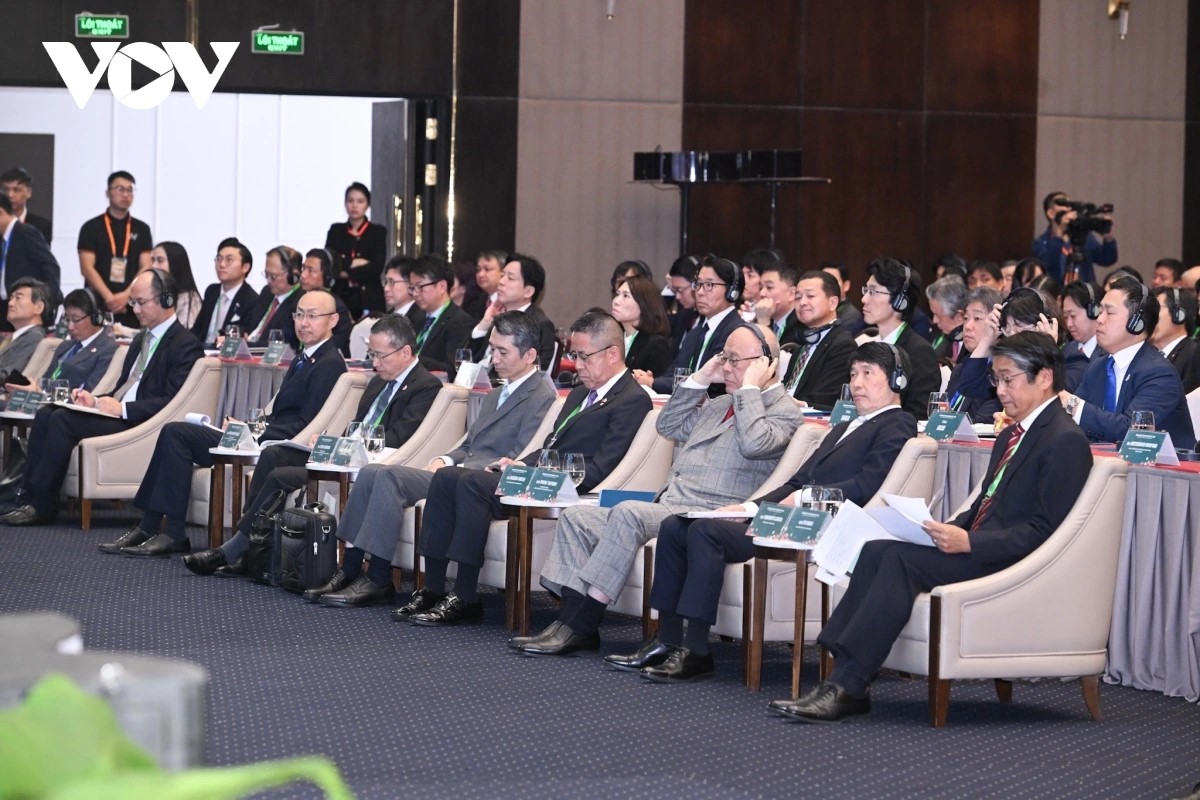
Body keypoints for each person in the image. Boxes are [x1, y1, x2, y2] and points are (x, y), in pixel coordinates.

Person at [772, 332, 1093, 723]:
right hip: (979, 544)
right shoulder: (1013, 434)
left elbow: (1043, 532)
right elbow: (985, 502)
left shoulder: (1064, 440)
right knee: (876, 548)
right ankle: (843, 673)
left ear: (1043, 377)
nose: (1000, 391)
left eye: (1008, 379)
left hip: (1008, 560)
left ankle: (848, 686)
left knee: (900, 561)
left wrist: (969, 542)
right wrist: (944, 529)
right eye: (996, 380)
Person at [608, 342, 917, 681]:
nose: (857, 383)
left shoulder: (897, 423)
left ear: (897, 381)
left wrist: (803, 499)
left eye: (868, 374)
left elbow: (867, 484)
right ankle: (666, 640)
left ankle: (695, 650)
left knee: (705, 532)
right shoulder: (844, 427)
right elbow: (796, 480)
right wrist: (749, 507)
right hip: (792, 519)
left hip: (825, 524)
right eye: (854, 374)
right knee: (675, 525)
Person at [509, 324, 803, 656]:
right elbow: (668, 424)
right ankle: (570, 622)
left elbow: (754, 443)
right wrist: (700, 378)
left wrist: (749, 388)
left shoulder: (785, 412)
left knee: (629, 513)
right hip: (669, 503)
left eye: (735, 360)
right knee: (577, 517)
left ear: (767, 364)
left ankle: (582, 623)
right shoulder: (721, 404)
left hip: (706, 514)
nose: (727, 368)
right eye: (725, 358)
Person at [398, 311, 653, 625]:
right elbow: (549, 447)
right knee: (447, 476)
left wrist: (542, 474)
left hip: (565, 488)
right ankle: (433, 588)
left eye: (584, 356)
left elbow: (601, 468)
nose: (577, 365)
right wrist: (520, 464)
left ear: (612, 353)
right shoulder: (579, 394)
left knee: (472, 483)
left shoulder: (631, 399)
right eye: (574, 356)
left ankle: (465, 596)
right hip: (541, 478)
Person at [303, 312, 557, 607]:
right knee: (372, 471)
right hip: (455, 475)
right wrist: (445, 459)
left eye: (503, 351)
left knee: (388, 476)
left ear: (530, 355)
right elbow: (469, 444)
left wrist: (460, 467)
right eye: (492, 349)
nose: (494, 358)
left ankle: (378, 577)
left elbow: (520, 456)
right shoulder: (497, 393)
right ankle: (348, 569)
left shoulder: (540, 396)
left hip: (481, 482)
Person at [181, 313, 443, 575]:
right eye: (372, 354)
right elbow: (355, 427)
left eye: (381, 356)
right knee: (275, 458)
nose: (374, 364)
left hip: (372, 467)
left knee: (281, 476)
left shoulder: (425, 386)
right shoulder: (377, 384)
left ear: (405, 352)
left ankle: (234, 551)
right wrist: (330, 443)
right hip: (343, 459)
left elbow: (398, 437)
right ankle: (252, 549)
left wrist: (340, 445)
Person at [97, 289, 348, 557]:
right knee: (177, 433)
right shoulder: (303, 357)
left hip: (278, 445)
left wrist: (252, 430)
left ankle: (175, 535)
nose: (304, 323)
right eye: (299, 315)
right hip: (260, 435)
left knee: (180, 435)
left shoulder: (329, 363)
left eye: (312, 316)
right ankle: (156, 528)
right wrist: (246, 425)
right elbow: (278, 413)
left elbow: (304, 424)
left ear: (332, 320)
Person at [0, 270, 204, 526]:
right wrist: (95, 400)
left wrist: (122, 409)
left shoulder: (184, 343)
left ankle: (42, 505)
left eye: (141, 302)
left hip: (141, 423)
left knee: (62, 420)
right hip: (118, 413)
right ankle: (26, 497)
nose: (135, 310)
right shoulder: (141, 339)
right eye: (133, 302)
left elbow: (172, 401)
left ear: (166, 300)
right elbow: (123, 387)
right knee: (46, 413)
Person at [1061, 276, 1194, 448]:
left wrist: (1072, 404)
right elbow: (1073, 423)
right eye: (1100, 311)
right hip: (1107, 462)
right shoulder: (1097, 367)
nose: (1099, 319)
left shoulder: (1159, 373)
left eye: (1109, 313)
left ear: (1136, 323)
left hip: (1159, 465)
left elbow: (1131, 432)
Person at [860, 258, 940, 420]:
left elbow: (919, 413)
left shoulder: (919, 352)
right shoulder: (867, 347)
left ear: (900, 301)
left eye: (873, 292)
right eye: (866, 290)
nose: (864, 299)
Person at [652, 255, 743, 395]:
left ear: (732, 292)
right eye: (698, 284)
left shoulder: (737, 333)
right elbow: (674, 374)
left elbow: (713, 385)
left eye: (709, 285)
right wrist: (651, 380)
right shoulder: (695, 333)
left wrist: (652, 383)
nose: (699, 292)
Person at [77, 171, 153, 328]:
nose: (125, 194)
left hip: (131, 305)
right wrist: (109, 298)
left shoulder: (142, 229)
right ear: (108, 192)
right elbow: (87, 268)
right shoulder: (91, 227)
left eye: (130, 190)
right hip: (97, 302)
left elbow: (146, 266)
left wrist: (126, 296)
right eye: (120, 189)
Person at [3, 288, 116, 393]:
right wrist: (34, 386)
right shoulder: (64, 346)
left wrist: (41, 392)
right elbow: (47, 380)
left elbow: (88, 394)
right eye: (67, 319)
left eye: (76, 320)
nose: (70, 327)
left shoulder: (108, 350)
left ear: (96, 318)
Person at [467, 253, 558, 370]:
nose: (501, 282)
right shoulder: (496, 318)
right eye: (502, 276)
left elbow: (535, 371)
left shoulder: (541, 325)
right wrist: (484, 325)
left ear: (528, 291)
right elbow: (468, 362)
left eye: (510, 278)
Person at [781, 270, 856, 410]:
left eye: (810, 296)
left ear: (833, 302)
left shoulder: (843, 345)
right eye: (798, 297)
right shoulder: (802, 347)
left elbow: (826, 400)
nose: (802, 302)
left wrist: (797, 404)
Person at [403, 253, 475, 375]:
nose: (415, 293)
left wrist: (411, 359)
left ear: (442, 286)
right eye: (412, 288)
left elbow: (452, 369)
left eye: (420, 287)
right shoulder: (415, 318)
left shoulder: (460, 322)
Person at [325, 182, 387, 317]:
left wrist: (345, 270)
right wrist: (356, 262)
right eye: (350, 201)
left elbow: (376, 267)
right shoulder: (336, 231)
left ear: (367, 204)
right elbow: (331, 263)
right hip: (340, 296)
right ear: (345, 203)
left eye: (360, 201)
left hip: (369, 298)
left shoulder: (377, 232)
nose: (354, 205)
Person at [0, 191, 60, 331]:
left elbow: (51, 267)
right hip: (7, 308)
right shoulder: (4, 238)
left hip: (26, 310)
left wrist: (46, 303)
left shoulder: (25, 232)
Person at [1032, 191, 1117, 284]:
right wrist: (1059, 233)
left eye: (1070, 204)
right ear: (1051, 213)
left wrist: (1109, 238)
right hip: (1057, 291)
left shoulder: (1083, 235)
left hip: (1083, 290)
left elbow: (1107, 259)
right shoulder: (1041, 243)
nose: (1069, 208)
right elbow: (1049, 266)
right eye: (1064, 204)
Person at [943, 287, 1002, 421]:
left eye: (977, 318)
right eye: (966, 318)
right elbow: (944, 414)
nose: (968, 326)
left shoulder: (1000, 373)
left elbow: (983, 422)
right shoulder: (960, 369)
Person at [190, 238, 259, 344]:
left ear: (245, 267)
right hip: (202, 349)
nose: (221, 264)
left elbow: (245, 336)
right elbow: (197, 329)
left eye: (229, 260)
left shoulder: (252, 300)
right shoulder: (212, 291)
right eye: (218, 259)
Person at [613, 275, 672, 379]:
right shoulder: (612, 340)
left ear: (643, 303)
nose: (616, 301)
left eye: (625, 296)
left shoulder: (656, 345)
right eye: (617, 294)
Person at [245, 246, 303, 346]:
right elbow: (250, 324)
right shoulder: (267, 292)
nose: (268, 280)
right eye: (266, 274)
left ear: (293, 276)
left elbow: (285, 342)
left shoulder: (300, 302)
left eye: (273, 276)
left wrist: (249, 345)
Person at [1151, 287, 1200, 394]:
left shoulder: (1194, 354)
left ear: (1177, 315)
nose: (1149, 316)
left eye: (1156, 308)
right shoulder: (1147, 354)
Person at [1061, 281, 1107, 393]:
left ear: (1094, 311)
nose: (1069, 324)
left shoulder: (1109, 352)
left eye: (1073, 316)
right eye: (1066, 317)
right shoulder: (1066, 350)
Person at [0, 277, 50, 379]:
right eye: (11, 298)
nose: (10, 303)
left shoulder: (34, 337)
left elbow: (8, 376)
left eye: (18, 298)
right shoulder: (13, 338)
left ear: (39, 307)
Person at [150, 242, 202, 331]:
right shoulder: (158, 293)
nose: (153, 266)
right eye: (152, 260)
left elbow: (182, 333)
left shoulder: (188, 299)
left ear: (175, 264)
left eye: (160, 260)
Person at [754, 263, 802, 346]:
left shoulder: (801, 325)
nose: (762, 293)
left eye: (769, 287)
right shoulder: (760, 318)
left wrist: (763, 322)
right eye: (761, 287)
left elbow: (770, 353)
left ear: (791, 294)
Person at [1, 167, 51, 243]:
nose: (10, 195)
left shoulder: (42, 227)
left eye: (16, 190)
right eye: (6, 189)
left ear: (29, 192)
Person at [926, 275, 968, 363]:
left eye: (938, 315)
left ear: (959, 316)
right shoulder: (941, 336)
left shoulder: (974, 347)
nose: (934, 321)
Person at [665, 255, 700, 356]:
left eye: (680, 290)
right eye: (674, 291)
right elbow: (658, 323)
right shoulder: (684, 315)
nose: (677, 297)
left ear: (696, 284)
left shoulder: (708, 319)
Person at [822, 262, 866, 336]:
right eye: (823, 282)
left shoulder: (851, 315)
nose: (826, 287)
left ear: (846, 285)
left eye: (832, 282)